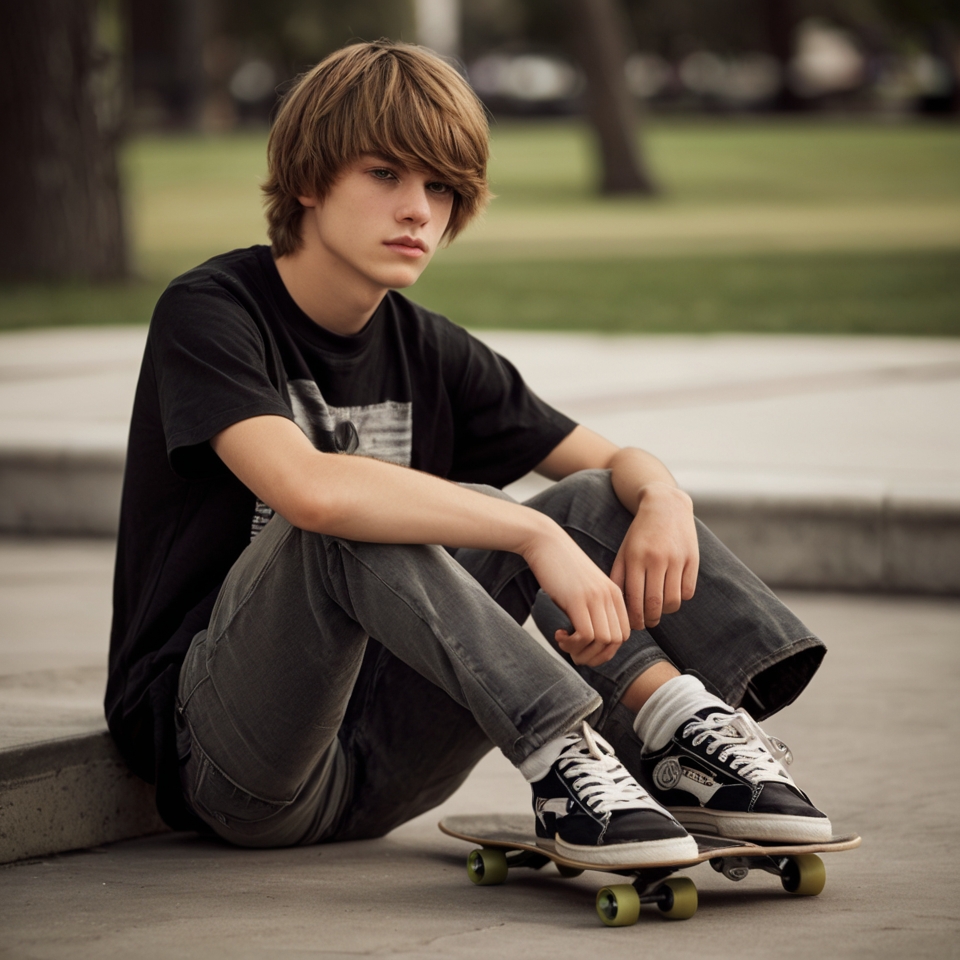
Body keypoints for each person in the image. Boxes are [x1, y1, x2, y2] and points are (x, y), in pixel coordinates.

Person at [106, 40, 831, 867]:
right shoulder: (212, 312)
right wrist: (527, 533)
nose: (419, 210)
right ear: (309, 180)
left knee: (595, 497)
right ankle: (562, 748)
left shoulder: (431, 349)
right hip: (229, 758)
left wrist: (664, 498)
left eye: (441, 187)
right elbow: (309, 491)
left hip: (386, 756)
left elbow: (612, 465)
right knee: (347, 514)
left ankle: (687, 737)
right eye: (385, 174)